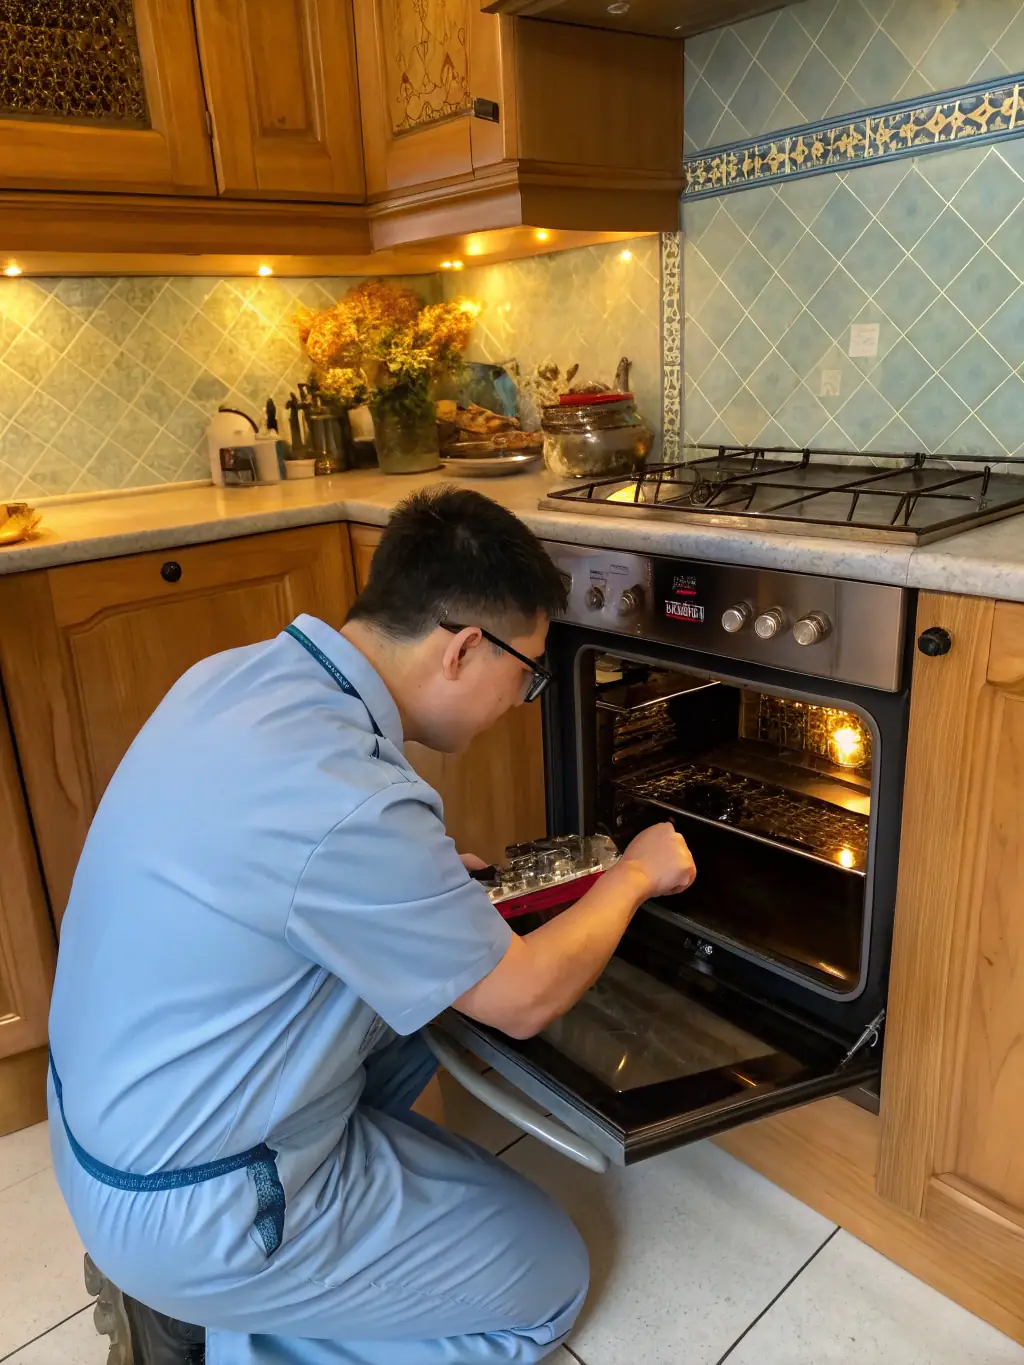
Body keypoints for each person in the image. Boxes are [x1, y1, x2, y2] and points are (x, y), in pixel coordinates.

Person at [48, 485, 696, 1365]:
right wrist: (633, 873)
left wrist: (416, 893)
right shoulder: (355, 801)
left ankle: (193, 1292)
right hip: (198, 1203)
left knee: (411, 1002)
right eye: (529, 672)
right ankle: (218, 1329)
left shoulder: (233, 677)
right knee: (547, 1285)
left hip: (108, 1130)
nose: (522, 698)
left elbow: (283, 877)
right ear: (466, 648)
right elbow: (523, 997)